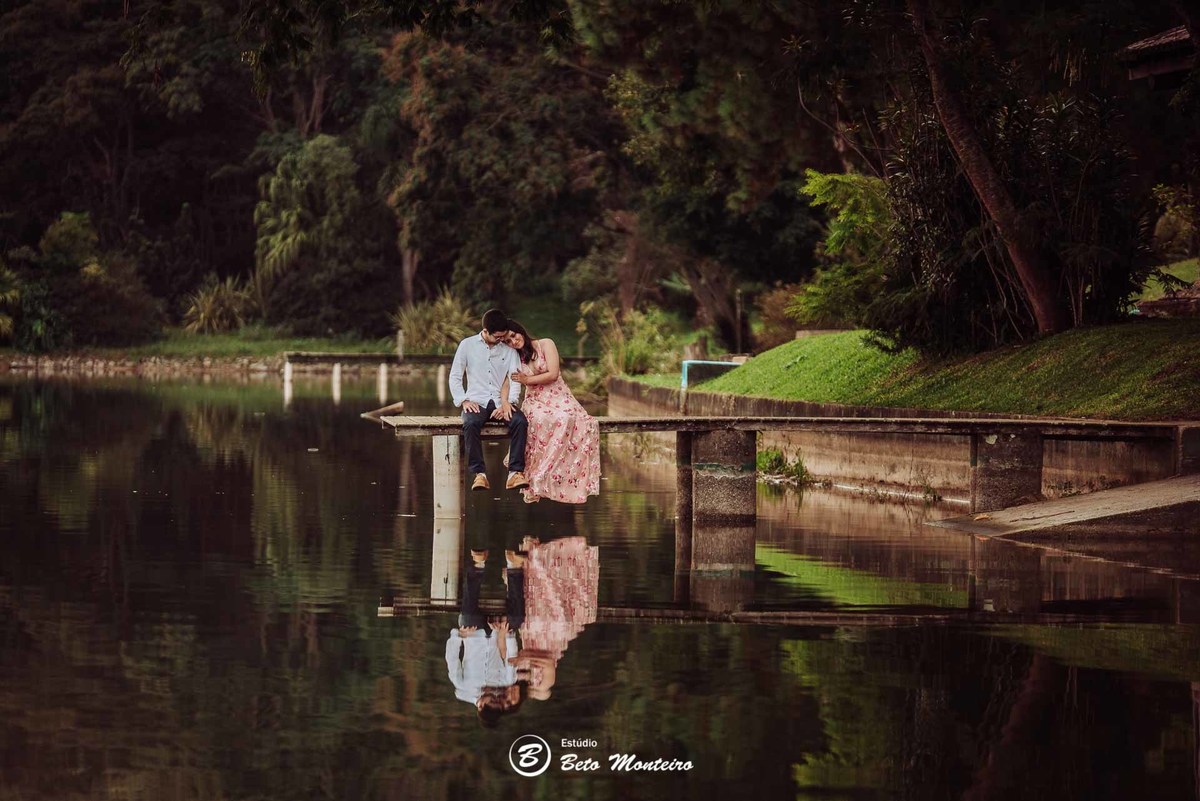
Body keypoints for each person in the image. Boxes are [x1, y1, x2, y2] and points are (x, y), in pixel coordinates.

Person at [504, 319, 600, 504]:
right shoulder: (515, 358)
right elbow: (508, 381)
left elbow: (553, 374)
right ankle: (538, 476)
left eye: (514, 336)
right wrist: (506, 402)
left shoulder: (545, 344)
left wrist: (526, 380)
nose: (513, 342)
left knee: (574, 420)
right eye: (508, 341)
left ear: (520, 331)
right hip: (535, 399)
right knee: (544, 421)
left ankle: (557, 475)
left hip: (558, 395)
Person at [445, 548, 529, 726]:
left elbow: (452, 659)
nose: (496, 696)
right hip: (498, 635)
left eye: (492, 699)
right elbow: (510, 658)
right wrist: (507, 635)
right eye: (498, 701)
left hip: (475, 634)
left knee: (466, 618)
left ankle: (478, 564)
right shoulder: (507, 682)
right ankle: (513, 567)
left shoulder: (461, 688)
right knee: (517, 619)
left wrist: (460, 636)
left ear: (480, 705)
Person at [448, 309, 529, 492]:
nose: (502, 340)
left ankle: (515, 473)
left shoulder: (509, 350)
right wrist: (463, 400)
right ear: (485, 331)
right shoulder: (466, 345)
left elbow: (514, 378)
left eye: (503, 336)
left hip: (502, 402)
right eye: (498, 337)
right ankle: (479, 475)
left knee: (520, 422)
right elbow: (455, 376)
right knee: (470, 423)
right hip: (477, 401)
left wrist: (510, 402)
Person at [510, 535, 599, 701]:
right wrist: (526, 658)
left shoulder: (520, 678)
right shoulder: (545, 684)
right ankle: (536, 555)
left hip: (533, 636)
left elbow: (521, 656)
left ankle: (530, 555)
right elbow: (549, 661)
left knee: (535, 595)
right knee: (549, 592)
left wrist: (524, 658)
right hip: (551, 637)